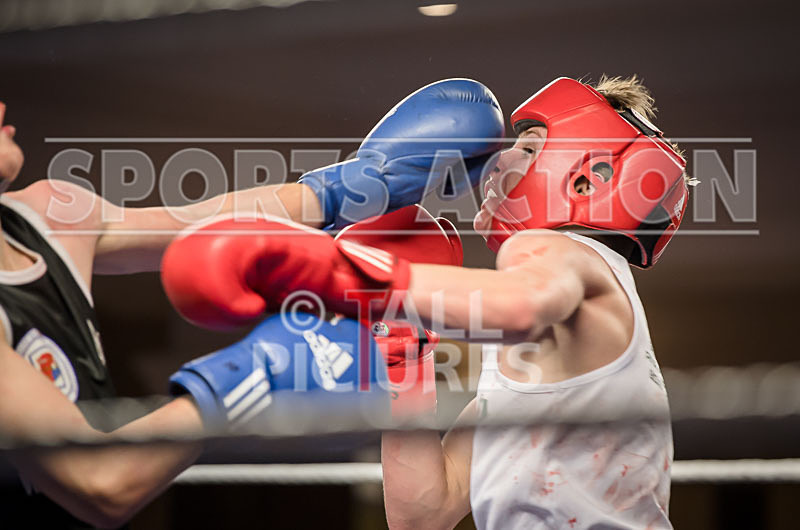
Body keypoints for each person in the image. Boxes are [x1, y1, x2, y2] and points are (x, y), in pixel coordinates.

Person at [161, 75, 691, 529]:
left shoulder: (562, 251)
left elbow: (520, 304)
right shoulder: (543, 361)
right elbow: (423, 513)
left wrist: (338, 273)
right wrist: (403, 351)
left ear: (589, 176)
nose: (501, 158)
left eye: (529, 147)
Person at [0, 79, 504, 528]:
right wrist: (254, 374)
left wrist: (367, 182)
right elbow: (99, 481)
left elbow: (196, 221)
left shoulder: (50, 213)